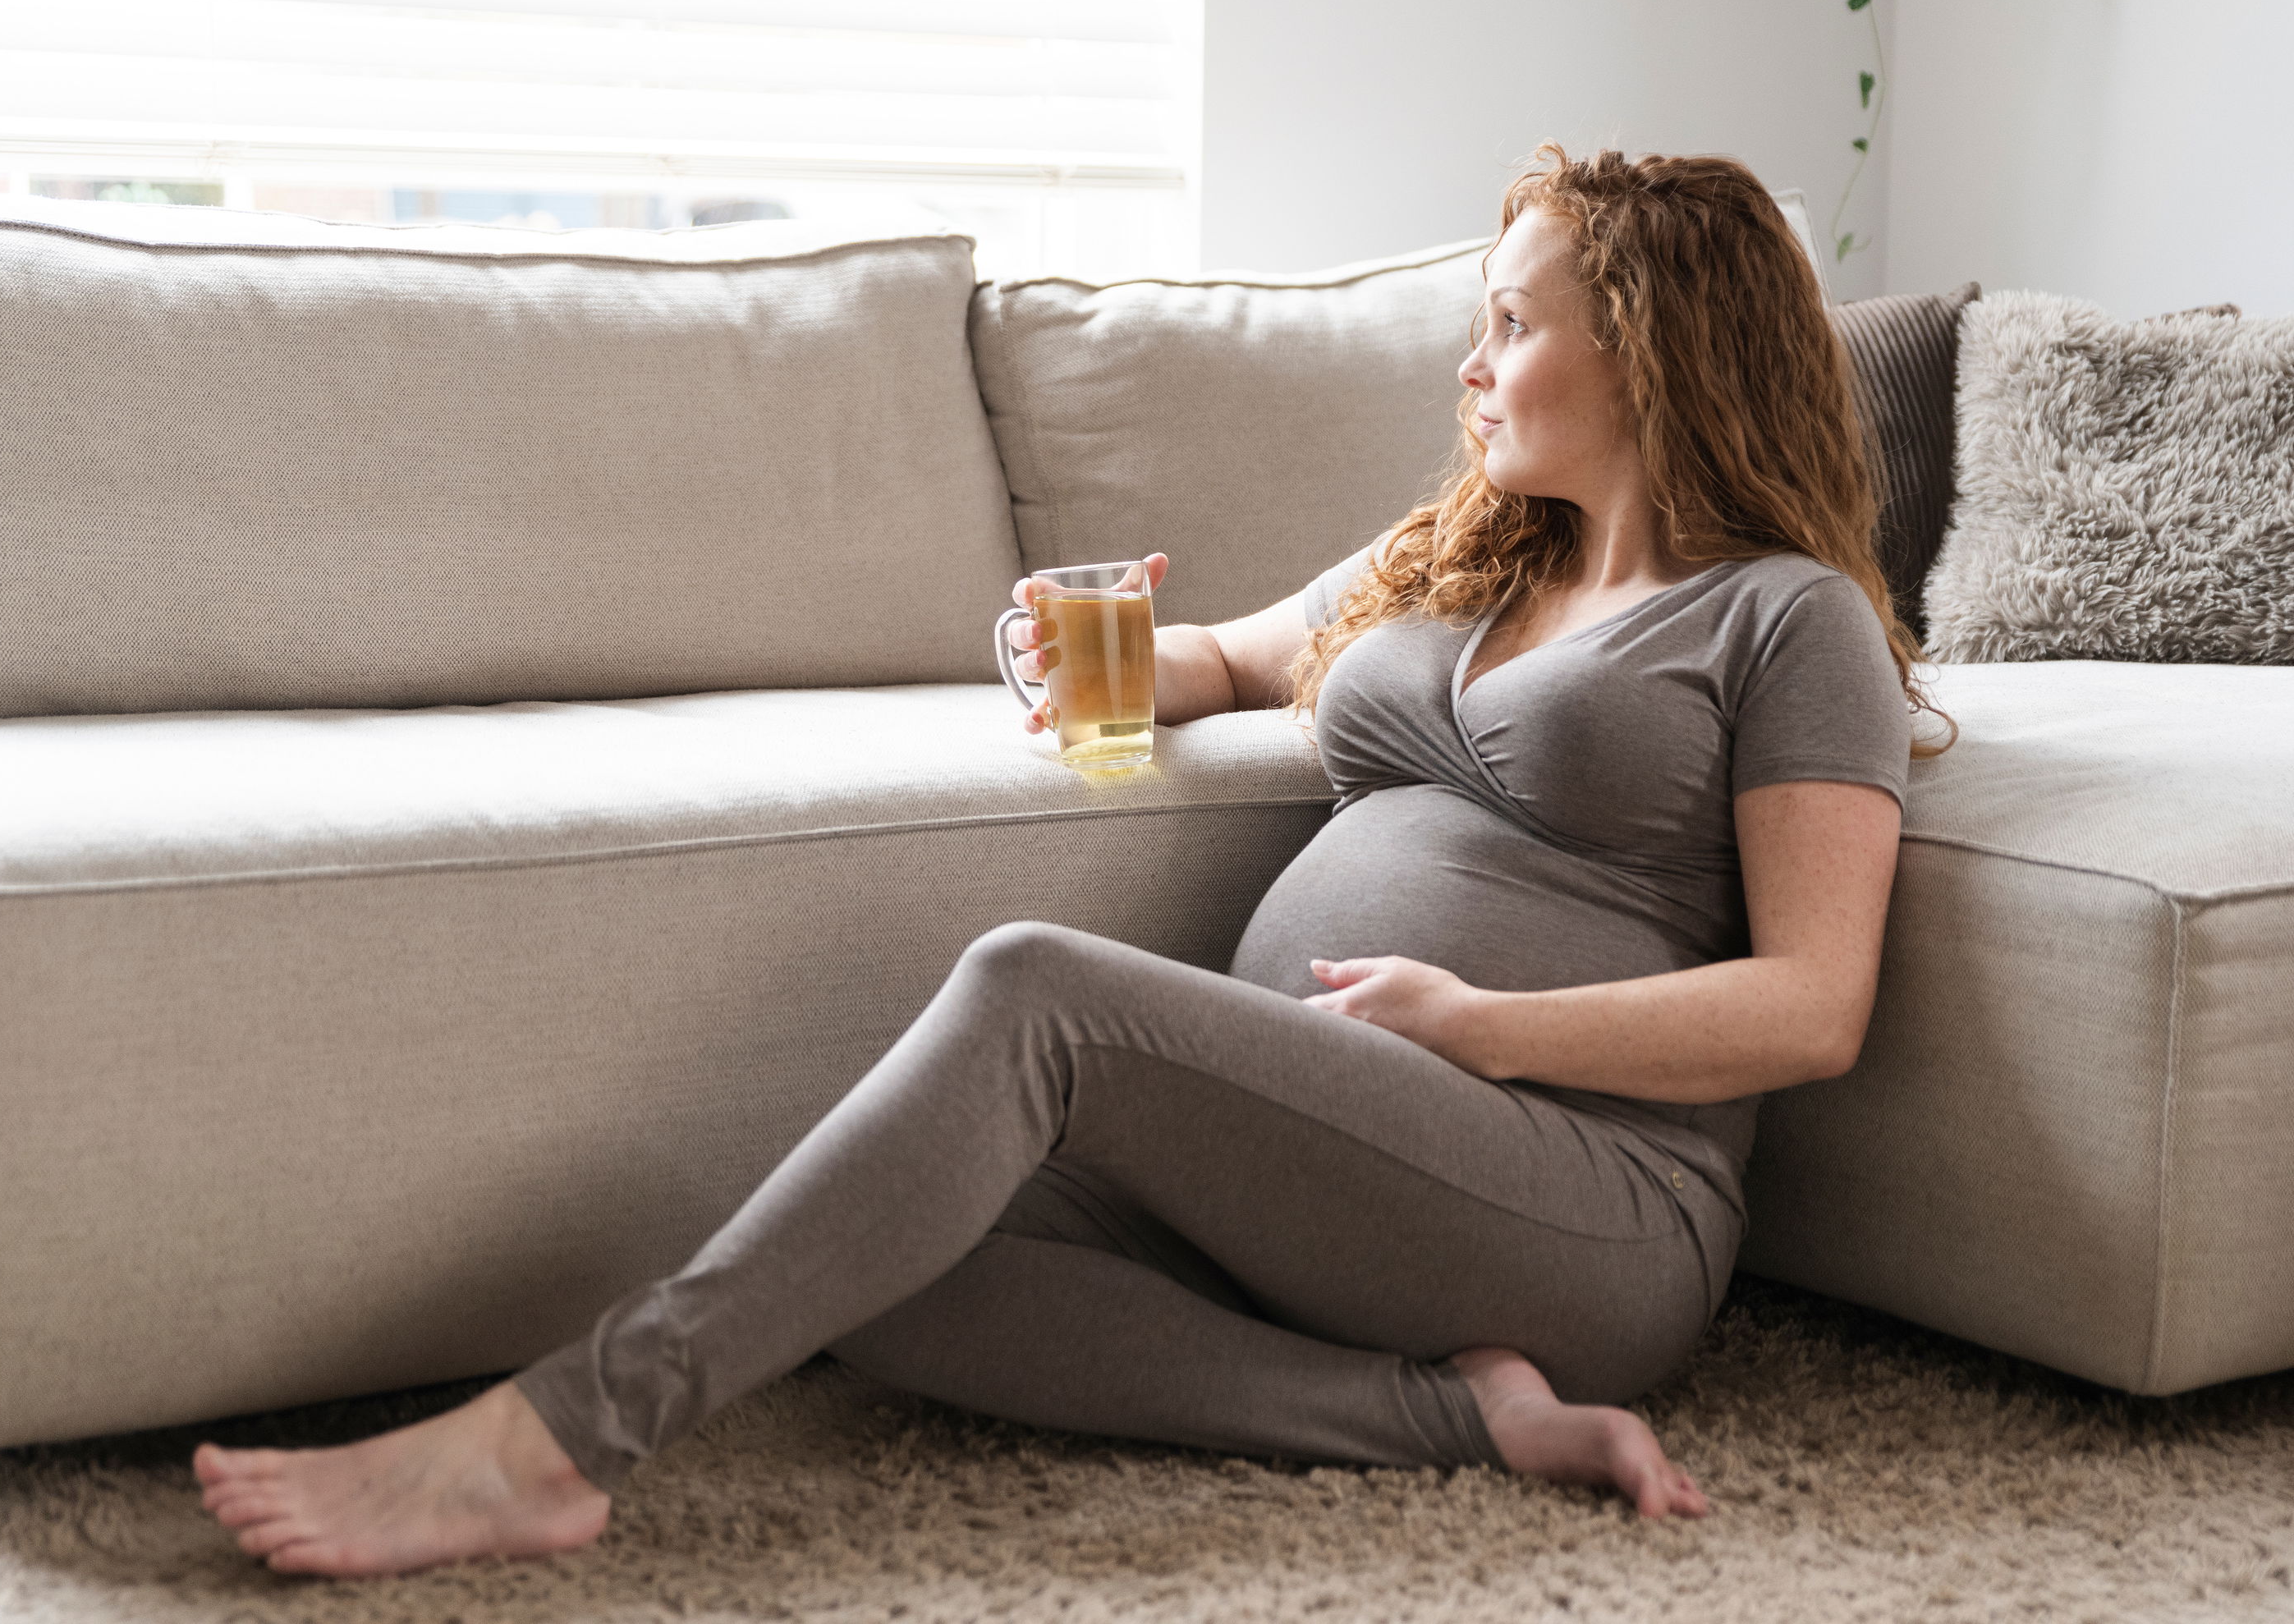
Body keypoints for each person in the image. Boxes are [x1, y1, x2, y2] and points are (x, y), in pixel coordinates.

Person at [195, 146, 1944, 1579]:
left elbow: (1813, 1005)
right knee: (885, 1250)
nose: (1467, 367)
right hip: (1345, 1145)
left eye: (1507, 324)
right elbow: (1240, 659)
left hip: (1584, 1193)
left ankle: (555, 1438)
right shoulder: (1470, 557)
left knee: (1036, 991)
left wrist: (1485, 1025)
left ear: (1650, 345)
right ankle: (1452, 1416)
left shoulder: (1783, 624)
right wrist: (1094, 652)